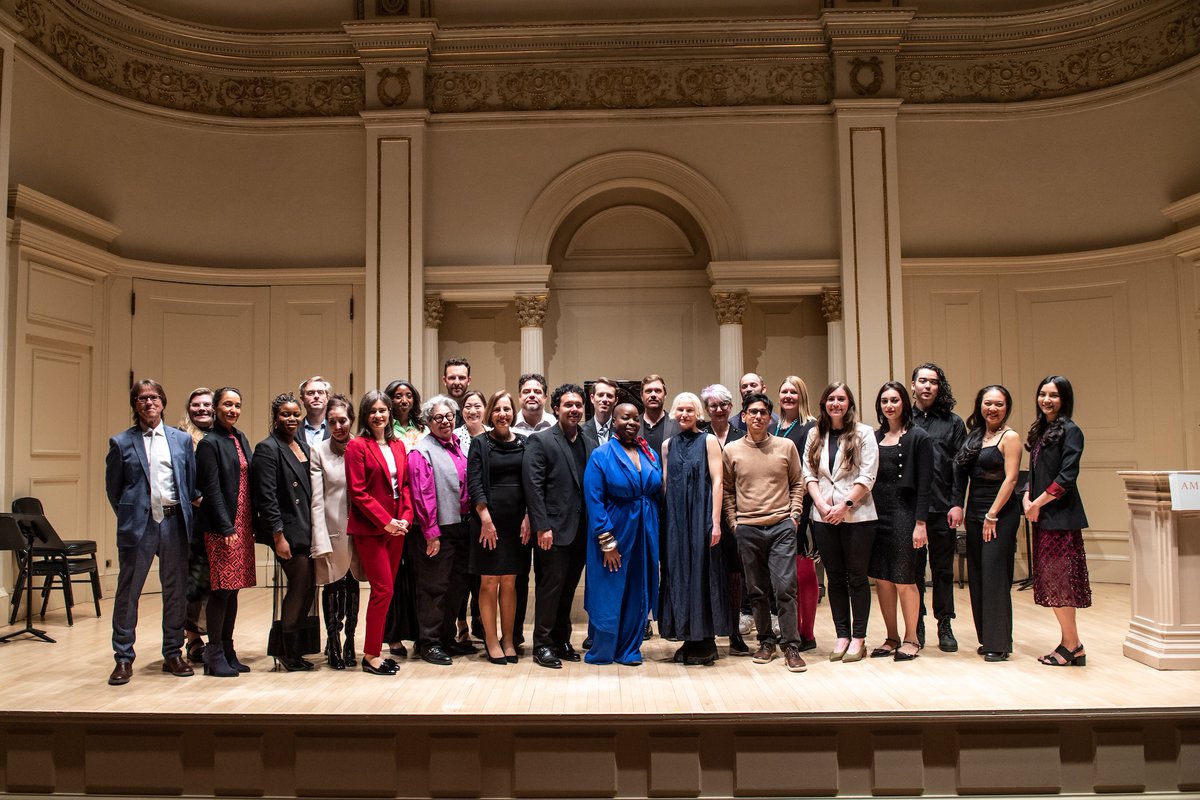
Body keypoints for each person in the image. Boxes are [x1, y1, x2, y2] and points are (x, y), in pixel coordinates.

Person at [104, 379, 200, 685]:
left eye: (154, 397)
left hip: (174, 523)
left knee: (175, 592)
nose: (149, 403)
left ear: (163, 402)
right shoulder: (120, 442)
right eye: (143, 398)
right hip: (140, 526)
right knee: (128, 592)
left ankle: (173, 652)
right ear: (135, 404)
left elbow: (189, 482)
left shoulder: (181, 440)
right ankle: (123, 658)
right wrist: (133, 516)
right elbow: (113, 490)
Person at [723, 393, 808, 673]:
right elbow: (727, 490)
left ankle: (791, 645)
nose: (758, 416)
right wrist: (734, 522)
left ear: (770, 417)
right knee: (757, 590)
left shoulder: (786, 447)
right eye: (752, 412)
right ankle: (766, 641)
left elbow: (798, 483)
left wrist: (794, 514)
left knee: (785, 588)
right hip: (747, 528)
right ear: (744, 416)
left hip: (782, 526)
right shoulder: (732, 450)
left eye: (763, 412)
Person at [802, 382, 879, 664]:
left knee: (857, 578)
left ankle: (859, 637)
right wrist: (822, 506)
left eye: (841, 399)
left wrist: (844, 505)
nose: (836, 403)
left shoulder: (864, 433)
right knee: (834, 577)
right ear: (824, 404)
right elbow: (807, 474)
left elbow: (868, 475)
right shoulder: (815, 434)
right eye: (831, 398)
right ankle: (842, 635)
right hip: (823, 516)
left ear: (849, 403)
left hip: (857, 516)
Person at [583, 402, 662, 666]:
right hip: (615, 530)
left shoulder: (649, 452)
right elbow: (594, 500)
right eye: (624, 418)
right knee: (610, 588)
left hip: (644, 530)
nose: (630, 422)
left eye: (634, 418)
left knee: (638, 589)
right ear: (614, 422)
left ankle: (630, 648)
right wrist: (607, 541)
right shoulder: (601, 455)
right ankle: (604, 648)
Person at [523, 384, 595, 668]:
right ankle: (542, 644)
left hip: (581, 529)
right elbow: (533, 488)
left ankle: (562, 639)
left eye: (578, 405)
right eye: (568, 405)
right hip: (551, 530)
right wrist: (542, 527)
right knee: (549, 588)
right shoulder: (540, 441)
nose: (574, 410)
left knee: (568, 589)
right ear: (556, 409)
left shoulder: (589, 441)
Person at [1023, 376, 1092, 667]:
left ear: (1064, 399)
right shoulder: (1043, 430)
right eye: (1042, 394)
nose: (1046, 400)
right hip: (1043, 515)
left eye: (1053, 395)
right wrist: (1026, 498)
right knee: (1054, 581)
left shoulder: (1071, 431)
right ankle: (1069, 643)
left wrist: (1036, 503)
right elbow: (1035, 472)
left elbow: (1066, 478)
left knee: (1060, 583)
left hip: (1060, 518)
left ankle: (1072, 645)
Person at [345, 390, 413, 675]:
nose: (379, 416)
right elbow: (358, 493)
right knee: (382, 589)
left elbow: (406, 486)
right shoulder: (357, 446)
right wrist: (386, 521)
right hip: (372, 529)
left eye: (383, 410)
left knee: (387, 590)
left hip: (397, 529)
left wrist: (406, 519)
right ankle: (371, 654)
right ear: (365, 415)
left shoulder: (398, 446)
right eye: (373, 411)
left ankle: (374, 650)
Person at [660, 392, 730, 666]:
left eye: (690, 410)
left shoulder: (709, 440)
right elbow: (665, 485)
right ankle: (689, 636)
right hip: (676, 519)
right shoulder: (667, 445)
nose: (685, 414)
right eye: (680, 410)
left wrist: (714, 522)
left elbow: (717, 482)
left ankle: (706, 640)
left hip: (701, 516)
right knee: (680, 574)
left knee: (703, 573)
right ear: (675, 413)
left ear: (698, 412)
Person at [953, 385, 1022, 662]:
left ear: (1007, 408)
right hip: (975, 512)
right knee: (979, 577)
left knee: (994, 576)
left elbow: (1012, 479)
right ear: (979, 405)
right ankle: (988, 638)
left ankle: (1000, 643)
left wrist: (992, 515)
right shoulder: (975, 437)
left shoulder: (1010, 437)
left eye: (999, 404)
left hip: (1000, 514)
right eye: (987, 403)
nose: (992, 409)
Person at [868, 382, 933, 662]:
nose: (889, 405)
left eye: (894, 400)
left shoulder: (919, 437)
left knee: (905, 579)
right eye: (884, 401)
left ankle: (911, 638)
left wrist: (921, 523)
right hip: (876, 514)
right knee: (882, 579)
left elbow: (926, 484)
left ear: (904, 403)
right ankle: (891, 636)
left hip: (906, 514)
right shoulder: (873, 437)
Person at [194, 387, 256, 677]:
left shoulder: (239, 438)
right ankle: (213, 652)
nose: (233, 410)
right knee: (221, 592)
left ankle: (228, 650)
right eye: (227, 404)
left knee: (233, 593)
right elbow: (211, 489)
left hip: (242, 525)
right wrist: (225, 526)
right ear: (216, 408)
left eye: (237, 405)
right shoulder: (209, 443)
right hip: (223, 528)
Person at [251, 392, 315, 672]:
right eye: (285, 414)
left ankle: (296, 649)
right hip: (287, 531)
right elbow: (266, 497)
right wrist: (278, 536)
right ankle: (287, 652)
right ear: (275, 418)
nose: (291, 419)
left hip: (306, 526)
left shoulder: (302, 445)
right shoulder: (267, 448)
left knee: (307, 589)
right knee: (299, 588)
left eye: (295, 414)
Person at [408, 395, 474, 665]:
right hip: (437, 531)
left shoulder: (457, 446)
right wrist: (431, 532)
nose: (445, 421)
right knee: (434, 587)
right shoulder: (421, 451)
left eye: (449, 416)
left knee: (455, 587)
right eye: (438, 417)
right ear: (427, 421)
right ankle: (429, 642)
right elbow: (423, 495)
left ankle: (446, 638)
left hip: (461, 527)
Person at [468, 390, 531, 665]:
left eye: (507, 409)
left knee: (510, 581)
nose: (502, 414)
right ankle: (491, 640)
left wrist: (529, 515)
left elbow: (532, 483)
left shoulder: (525, 443)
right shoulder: (480, 443)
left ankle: (508, 639)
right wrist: (486, 519)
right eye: (497, 410)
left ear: (512, 412)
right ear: (489, 413)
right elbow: (475, 483)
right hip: (487, 523)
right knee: (489, 581)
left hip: (517, 523)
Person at [910, 363, 966, 651]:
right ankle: (915, 623)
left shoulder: (954, 423)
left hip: (944, 506)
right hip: (910, 509)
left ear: (939, 386)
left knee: (943, 569)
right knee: (913, 570)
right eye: (922, 381)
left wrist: (958, 503)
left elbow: (960, 468)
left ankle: (945, 623)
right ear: (913, 386)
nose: (928, 386)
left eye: (933, 381)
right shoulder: (904, 419)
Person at [309, 394, 362, 670]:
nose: (339, 426)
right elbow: (317, 500)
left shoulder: (361, 446)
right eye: (333, 421)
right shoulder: (319, 451)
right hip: (333, 530)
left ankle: (350, 641)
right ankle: (332, 642)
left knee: (353, 586)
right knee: (332, 586)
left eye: (343, 420)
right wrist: (319, 539)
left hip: (360, 531)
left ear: (351, 420)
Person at [701, 383, 750, 656]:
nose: (718, 410)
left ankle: (734, 634)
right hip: (705, 515)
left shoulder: (743, 437)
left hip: (736, 515)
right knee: (707, 573)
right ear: (706, 410)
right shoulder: (699, 436)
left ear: (731, 407)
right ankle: (706, 631)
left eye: (723, 405)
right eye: (713, 405)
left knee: (734, 576)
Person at [771, 375, 819, 652]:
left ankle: (807, 633)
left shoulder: (810, 427)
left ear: (802, 396)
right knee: (784, 574)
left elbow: (809, 469)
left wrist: (798, 506)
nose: (788, 396)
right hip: (775, 504)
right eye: (784, 391)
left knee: (803, 569)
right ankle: (791, 628)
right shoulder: (775, 427)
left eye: (793, 392)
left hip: (801, 504)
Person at [178, 387, 214, 665]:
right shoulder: (181, 439)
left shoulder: (224, 435)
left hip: (217, 520)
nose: (201, 409)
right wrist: (197, 497)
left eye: (206, 404)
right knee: (194, 582)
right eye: (196, 405)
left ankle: (215, 636)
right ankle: (192, 638)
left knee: (215, 583)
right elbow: (178, 476)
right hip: (193, 521)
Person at [453, 387, 488, 643]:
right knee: (461, 575)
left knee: (482, 574)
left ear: (484, 409)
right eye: (467, 406)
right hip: (460, 515)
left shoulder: (492, 436)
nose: (472, 410)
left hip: (486, 516)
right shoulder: (453, 437)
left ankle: (481, 621)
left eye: (477, 406)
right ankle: (460, 621)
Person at [637, 374, 679, 461]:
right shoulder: (633, 425)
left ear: (665, 395)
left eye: (658, 391)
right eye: (648, 391)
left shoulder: (678, 424)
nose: (653, 395)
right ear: (641, 396)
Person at [385, 378, 426, 448]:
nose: (404, 400)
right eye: (398, 397)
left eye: (409, 396)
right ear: (389, 400)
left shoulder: (423, 427)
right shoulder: (383, 427)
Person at [581, 377, 618, 447]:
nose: (604, 399)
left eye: (609, 396)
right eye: (600, 395)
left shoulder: (622, 430)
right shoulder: (581, 432)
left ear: (616, 401)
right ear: (592, 398)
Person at [298, 376, 331, 446]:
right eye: (311, 393)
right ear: (302, 399)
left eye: (320, 392)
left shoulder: (337, 428)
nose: (316, 396)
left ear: (327, 398)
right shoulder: (293, 430)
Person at [454, 390, 488, 454]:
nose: (473, 411)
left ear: (485, 409)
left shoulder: (493, 434)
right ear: (462, 411)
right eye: (468, 407)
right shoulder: (454, 436)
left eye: (477, 406)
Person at [442, 357, 472, 426]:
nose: (456, 382)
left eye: (461, 378)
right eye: (452, 378)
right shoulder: (435, 410)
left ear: (469, 380)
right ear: (444, 380)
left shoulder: (478, 411)